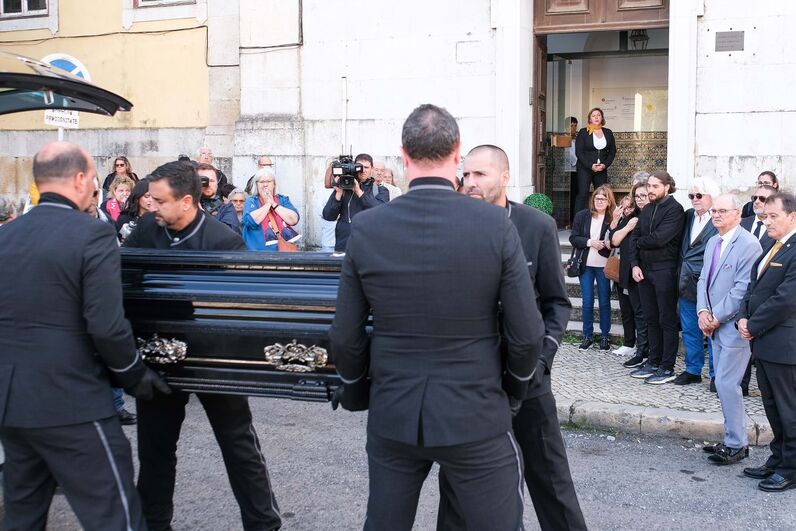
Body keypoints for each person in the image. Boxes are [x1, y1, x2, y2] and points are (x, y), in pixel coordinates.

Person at [329, 104, 543, 530]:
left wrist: (358, 392)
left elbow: (346, 335)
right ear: (458, 153)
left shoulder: (369, 227)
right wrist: (513, 391)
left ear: (404, 155)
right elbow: (526, 333)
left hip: (394, 411)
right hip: (475, 411)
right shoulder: (494, 224)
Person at [0, 141, 169, 531]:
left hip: (11, 401)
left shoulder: (7, 235)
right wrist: (135, 376)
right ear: (79, 180)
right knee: (116, 516)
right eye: (93, 180)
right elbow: (106, 324)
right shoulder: (91, 233)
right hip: (70, 400)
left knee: (22, 515)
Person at [123, 161, 282, 530]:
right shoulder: (147, 229)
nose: (151, 206)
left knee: (239, 446)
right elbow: (125, 281)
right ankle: (154, 524)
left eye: (160, 201)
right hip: (159, 358)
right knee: (155, 452)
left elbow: (243, 310)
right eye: (151, 199)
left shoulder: (224, 242)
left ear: (187, 201)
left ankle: (263, 524)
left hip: (214, 360)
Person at [440, 144, 584, 531]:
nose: (470, 182)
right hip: (469, 383)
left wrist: (542, 360)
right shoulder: (449, 224)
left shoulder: (536, 226)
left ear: (505, 177)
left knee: (551, 479)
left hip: (529, 381)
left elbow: (557, 303)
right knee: (458, 489)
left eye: (480, 174)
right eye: (466, 174)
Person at [737, 192, 796, 492]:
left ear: (792, 217)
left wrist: (753, 325)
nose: (767, 221)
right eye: (764, 216)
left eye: (774, 216)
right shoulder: (771, 247)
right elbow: (753, 288)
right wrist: (742, 316)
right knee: (772, 407)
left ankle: (791, 468)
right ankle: (778, 459)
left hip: (784, 345)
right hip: (764, 342)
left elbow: (786, 299)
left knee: (789, 410)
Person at [696, 194, 761, 465]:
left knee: (725, 383)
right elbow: (703, 279)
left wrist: (716, 317)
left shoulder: (749, 244)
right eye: (714, 211)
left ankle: (737, 444)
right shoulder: (713, 241)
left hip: (733, 324)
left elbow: (742, 288)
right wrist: (702, 312)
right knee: (722, 384)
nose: (716, 215)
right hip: (713, 323)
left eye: (723, 211)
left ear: (737, 214)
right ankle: (730, 438)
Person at [628, 171, 685, 384]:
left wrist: (641, 242)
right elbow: (635, 237)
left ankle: (667, 367)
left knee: (666, 319)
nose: (650, 190)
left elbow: (660, 239)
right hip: (643, 270)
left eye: (655, 186)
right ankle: (653, 361)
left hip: (665, 270)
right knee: (650, 318)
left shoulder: (675, 209)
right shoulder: (648, 208)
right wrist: (634, 264)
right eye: (649, 186)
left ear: (667, 187)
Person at [674, 178, 719, 386]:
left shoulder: (718, 219)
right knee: (690, 328)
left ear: (711, 196)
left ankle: (716, 375)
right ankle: (693, 369)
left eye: (699, 195)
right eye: (691, 195)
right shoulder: (688, 215)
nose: (694, 199)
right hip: (686, 282)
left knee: (712, 331)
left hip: (709, 285)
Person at [738, 184, 777, 395]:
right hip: (744, 293)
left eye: (763, 199)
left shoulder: (779, 236)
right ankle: (741, 384)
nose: (757, 202)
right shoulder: (743, 223)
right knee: (742, 343)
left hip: (765, 299)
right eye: (755, 197)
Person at [570, 185, 616, 351]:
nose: (599, 201)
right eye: (597, 198)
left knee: (604, 302)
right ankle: (587, 336)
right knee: (587, 301)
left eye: (603, 198)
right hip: (585, 265)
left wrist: (608, 243)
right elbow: (574, 238)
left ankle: (604, 336)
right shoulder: (582, 215)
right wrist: (590, 242)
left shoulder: (612, 218)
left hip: (604, 266)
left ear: (609, 201)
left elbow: (616, 239)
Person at [609, 185, 648, 361]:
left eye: (642, 196)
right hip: (625, 270)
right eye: (636, 197)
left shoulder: (646, 217)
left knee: (640, 312)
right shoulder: (630, 219)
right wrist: (626, 226)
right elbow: (614, 240)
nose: (628, 210)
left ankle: (643, 349)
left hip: (640, 271)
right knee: (627, 310)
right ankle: (630, 343)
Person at [322, 153, 389, 252]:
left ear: (372, 169)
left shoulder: (380, 190)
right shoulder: (344, 188)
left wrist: (358, 191)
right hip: (344, 245)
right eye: (360, 167)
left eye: (366, 167)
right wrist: (338, 193)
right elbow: (328, 216)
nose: (363, 170)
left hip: (369, 246)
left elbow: (380, 213)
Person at [242, 167, 300, 251]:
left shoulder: (282, 200)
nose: (265, 185)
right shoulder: (251, 201)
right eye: (261, 182)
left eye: (268, 181)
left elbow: (293, 220)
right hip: (257, 253)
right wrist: (268, 204)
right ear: (256, 185)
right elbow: (250, 221)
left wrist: (273, 204)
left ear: (274, 184)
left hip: (281, 252)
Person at [574, 107, 617, 214]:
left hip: (601, 169)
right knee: (583, 194)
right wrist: (590, 165)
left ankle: (601, 218)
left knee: (602, 194)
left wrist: (605, 165)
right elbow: (579, 152)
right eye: (593, 116)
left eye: (598, 115)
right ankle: (578, 221)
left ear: (602, 117)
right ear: (590, 119)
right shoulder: (583, 132)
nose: (596, 117)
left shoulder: (608, 132)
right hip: (585, 168)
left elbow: (612, 152)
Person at [117, 178, 154, 243]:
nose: (151, 200)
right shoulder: (124, 218)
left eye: (154, 196)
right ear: (137, 197)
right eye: (147, 196)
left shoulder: (160, 218)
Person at [567, 116, 579, 223]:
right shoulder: (566, 140)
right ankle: (571, 219)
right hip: (570, 170)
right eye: (571, 126)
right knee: (572, 196)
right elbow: (571, 156)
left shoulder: (577, 139)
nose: (574, 128)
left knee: (576, 195)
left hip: (577, 170)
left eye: (575, 125)